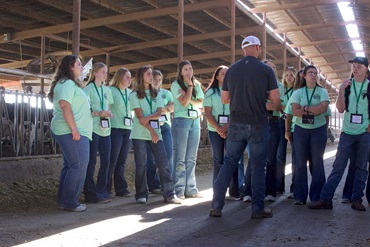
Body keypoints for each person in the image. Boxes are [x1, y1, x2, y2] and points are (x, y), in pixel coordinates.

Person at [209, 35, 281, 219]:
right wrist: (259, 97)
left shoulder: (232, 70)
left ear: (243, 49)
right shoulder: (266, 70)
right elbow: (275, 99)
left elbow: (224, 99)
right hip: (258, 123)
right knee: (257, 166)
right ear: (257, 48)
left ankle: (217, 205)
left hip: (236, 124)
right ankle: (257, 209)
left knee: (229, 163)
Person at [309, 57, 370, 211]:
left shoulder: (369, 87)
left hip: (364, 133)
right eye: (354, 67)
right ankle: (326, 199)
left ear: (366, 70)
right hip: (347, 132)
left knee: (361, 167)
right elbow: (341, 109)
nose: (355, 69)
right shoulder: (347, 86)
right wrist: (341, 89)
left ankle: (357, 200)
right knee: (338, 166)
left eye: (359, 67)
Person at [130, 65, 181, 204]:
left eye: (151, 74)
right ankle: (141, 194)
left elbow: (159, 112)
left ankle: (169, 194)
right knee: (141, 164)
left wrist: (147, 119)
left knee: (163, 162)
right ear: (141, 76)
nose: (151, 76)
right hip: (140, 133)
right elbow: (139, 116)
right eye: (148, 74)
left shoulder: (157, 93)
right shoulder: (134, 95)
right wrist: (151, 129)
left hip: (155, 132)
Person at [49, 55, 93, 212]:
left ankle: (64, 200)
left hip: (75, 130)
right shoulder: (66, 84)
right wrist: (74, 129)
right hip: (71, 131)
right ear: (70, 67)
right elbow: (65, 106)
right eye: (79, 64)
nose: (82, 67)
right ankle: (69, 202)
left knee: (71, 165)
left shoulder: (72, 85)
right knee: (78, 165)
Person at [290, 65, 329, 205]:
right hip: (301, 130)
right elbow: (294, 111)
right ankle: (300, 196)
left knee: (317, 162)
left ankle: (317, 196)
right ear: (304, 76)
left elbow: (323, 109)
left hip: (318, 130)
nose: (313, 75)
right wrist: (313, 109)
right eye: (310, 73)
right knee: (300, 163)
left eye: (315, 73)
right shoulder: (298, 92)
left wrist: (305, 108)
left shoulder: (322, 91)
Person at [203, 65, 243, 200]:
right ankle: (218, 191)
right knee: (218, 160)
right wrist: (219, 128)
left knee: (233, 159)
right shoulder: (210, 92)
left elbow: (238, 110)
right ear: (217, 76)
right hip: (215, 131)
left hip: (231, 129)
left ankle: (234, 190)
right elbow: (207, 113)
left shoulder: (235, 91)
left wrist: (226, 126)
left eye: (227, 73)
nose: (225, 75)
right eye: (222, 73)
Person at [171, 60, 204, 199]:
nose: (189, 71)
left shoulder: (197, 84)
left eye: (190, 69)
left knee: (191, 158)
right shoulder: (175, 84)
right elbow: (183, 102)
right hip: (181, 121)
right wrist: (189, 88)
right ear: (180, 72)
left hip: (195, 120)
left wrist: (188, 96)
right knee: (180, 157)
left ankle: (191, 188)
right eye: (185, 69)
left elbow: (201, 102)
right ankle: (179, 189)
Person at [83, 62, 113, 203]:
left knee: (106, 161)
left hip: (106, 130)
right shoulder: (88, 89)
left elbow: (108, 107)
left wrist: (108, 113)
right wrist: (98, 113)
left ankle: (101, 190)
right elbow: (85, 110)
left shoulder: (107, 91)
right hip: (93, 129)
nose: (105, 75)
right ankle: (90, 193)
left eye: (106, 72)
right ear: (95, 73)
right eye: (102, 72)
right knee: (92, 162)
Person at [146, 69, 174, 194]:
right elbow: (146, 111)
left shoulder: (166, 93)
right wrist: (163, 109)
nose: (156, 82)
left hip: (165, 126)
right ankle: (153, 185)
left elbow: (172, 107)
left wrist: (158, 111)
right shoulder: (146, 94)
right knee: (151, 158)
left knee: (168, 155)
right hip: (151, 126)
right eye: (154, 79)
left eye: (159, 80)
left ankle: (167, 184)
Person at [107, 67, 133, 198]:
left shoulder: (130, 92)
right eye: (127, 77)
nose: (130, 79)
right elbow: (106, 106)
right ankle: (106, 188)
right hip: (115, 128)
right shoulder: (111, 91)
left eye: (130, 77)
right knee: (113, 159)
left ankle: (120, 188)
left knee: (122, 160)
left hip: (127, 129)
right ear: (120, 77)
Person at [276, 67, 296, 196]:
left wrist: (287, 108)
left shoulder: (298, 90)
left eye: (291, 75)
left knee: (296, 156)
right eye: (286, 75)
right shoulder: (280, 89)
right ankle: (279, 186)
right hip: (280, 121)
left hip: (294, 123)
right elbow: (277, 104)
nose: (289, 77)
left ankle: (294, 188)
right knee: (280, 155)